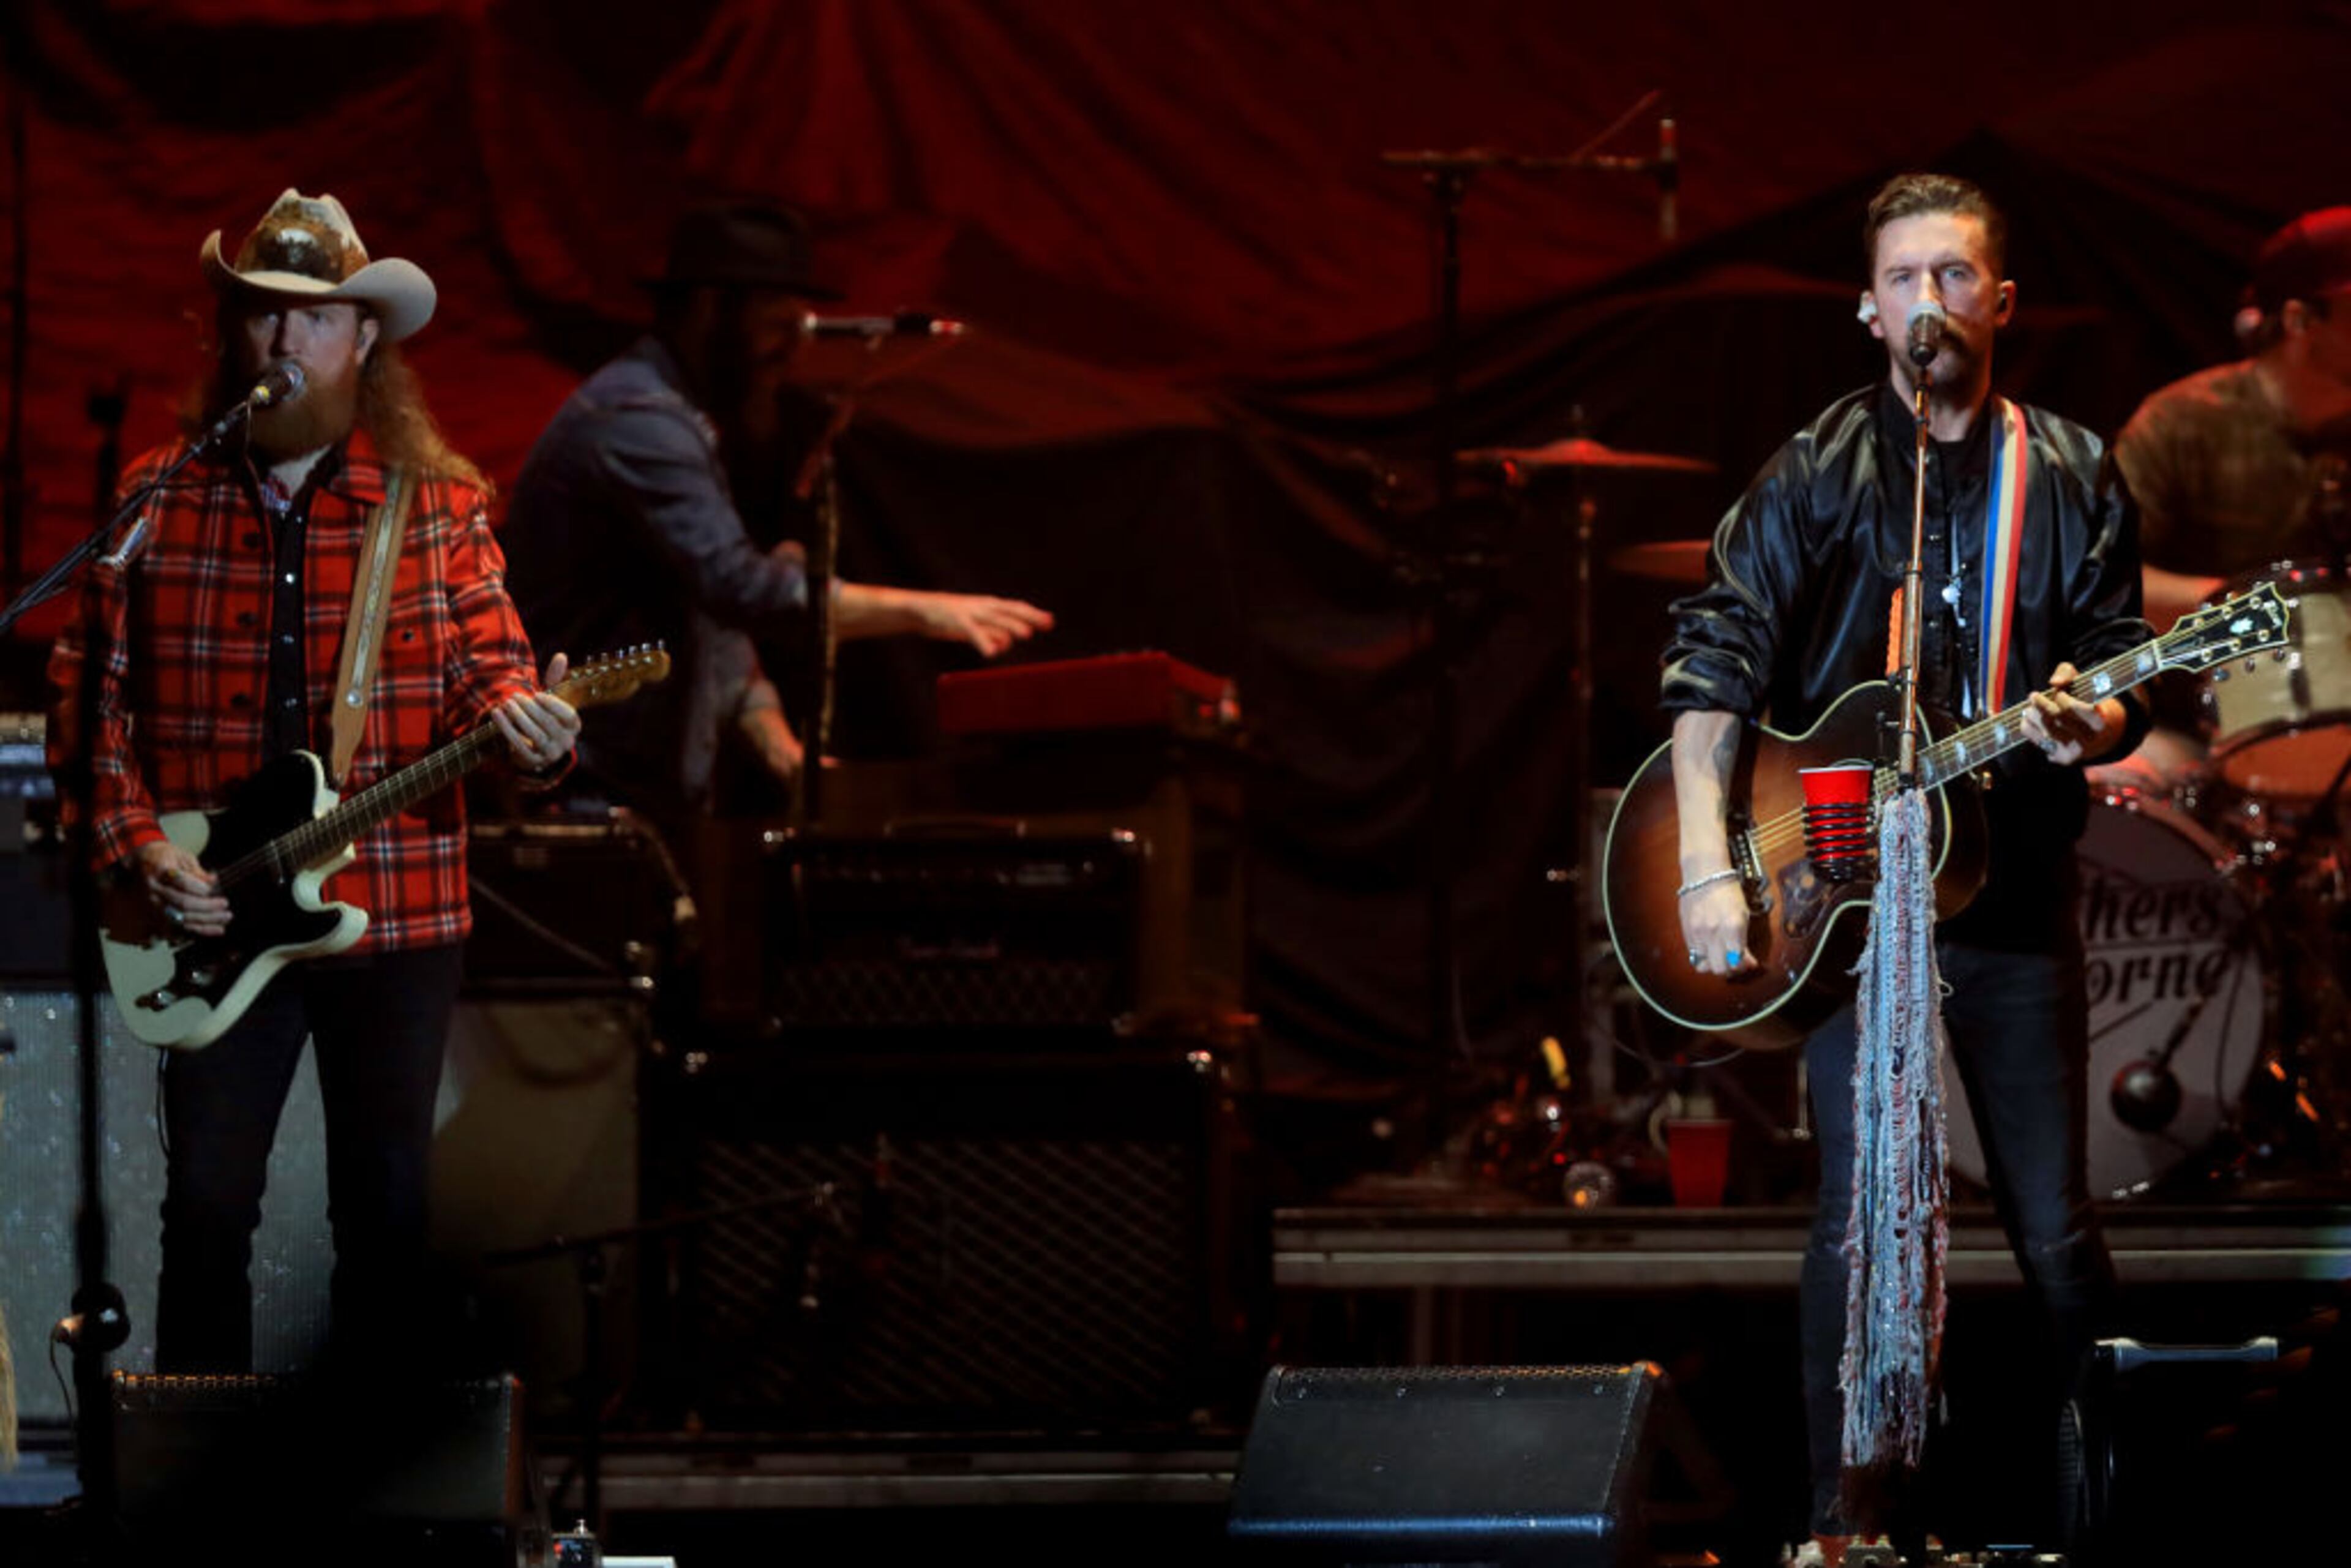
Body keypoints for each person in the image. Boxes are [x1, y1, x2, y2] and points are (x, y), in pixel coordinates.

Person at [1659, 173, 2152, 1564]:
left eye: (1952, 276)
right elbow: (1714, 651)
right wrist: (1709, 863)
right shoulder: (1820, 464)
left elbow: (2122, 672)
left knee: (2051, 1223)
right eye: (1902, 278)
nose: (1926, 302)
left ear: (1996, 301)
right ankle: (1845, 1520)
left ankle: (2112, 1504)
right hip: (1849, 906)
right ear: (1864, 309)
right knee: (1856, 1208)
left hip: (2006, 895)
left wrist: (2092, 714)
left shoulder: (2066, 468)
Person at [46, 190, 581, 1378]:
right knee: (209, 1210)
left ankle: (372, 1495)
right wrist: (142, 847)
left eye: (317, 318)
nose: (288, 343)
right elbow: (87, 701)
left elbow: (491, 674)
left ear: (365, 340)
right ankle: (192, 1489)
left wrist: (531, 730)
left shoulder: (434, 504)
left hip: (396, 909)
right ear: (233, 335)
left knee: (386, 1207)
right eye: (264, 317)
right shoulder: (158, 496)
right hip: (210, 906)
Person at [498, 197, 1054, 837]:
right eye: (774, 325)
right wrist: (929, 611)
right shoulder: (637, 422)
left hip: (643, 797)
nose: (790, 349)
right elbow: (742, 589)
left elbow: (715, 624)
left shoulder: (682, 421)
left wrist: (783, 750)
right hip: (583, 794)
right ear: (711, 309)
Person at [2107, 205, 2351, 791]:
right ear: (2299, 320)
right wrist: (2234, 607)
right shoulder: (2181, 423)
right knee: (2115, 788)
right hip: (2190, 728)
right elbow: (2104, 583)